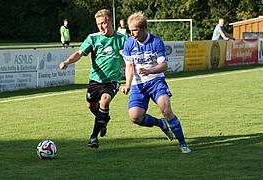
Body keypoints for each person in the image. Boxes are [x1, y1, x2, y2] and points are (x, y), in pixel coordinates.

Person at [121, 11, 191, 153]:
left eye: (134, 30)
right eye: (130, 30)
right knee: (135, 117)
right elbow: (129, 66)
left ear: (143, 28)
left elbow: (164, 65)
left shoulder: (156, 42)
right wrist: (128, 84)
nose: (132, 33)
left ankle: (183, 143)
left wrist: (150, 71)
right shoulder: (129, 43)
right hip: (138, 85)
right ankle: (161, 124)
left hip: (155, 81)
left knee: (166, 109)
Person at [59, 9, 126, 149]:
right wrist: (67, 62)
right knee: (91, 106)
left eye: (103, 23)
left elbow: (130, 59)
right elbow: (79, 53)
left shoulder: (122, 39)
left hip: (112, 80)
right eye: (98, 24)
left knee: (105, 101)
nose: (101, 27)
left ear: (110, 21)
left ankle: (93, 137)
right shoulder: (93, 38)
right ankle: (103, 120)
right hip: (95, 80)